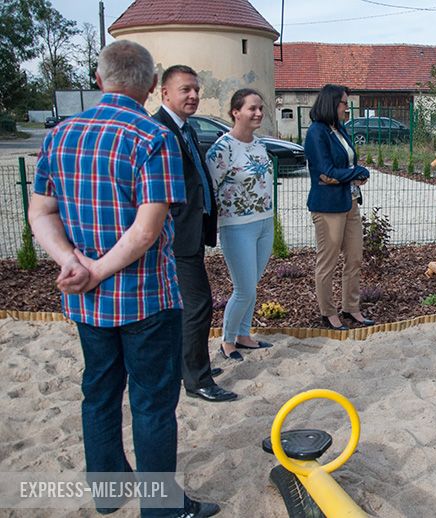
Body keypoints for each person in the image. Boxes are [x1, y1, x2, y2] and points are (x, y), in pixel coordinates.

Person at [28, 40, 219, 517]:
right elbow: (148, 228)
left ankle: (109, 492)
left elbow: (40, 211)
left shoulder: (60, 135)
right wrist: (93, 269)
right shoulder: (152, 137)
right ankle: (161, 509)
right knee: (153, 403)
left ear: (99, 79)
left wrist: (71, 263)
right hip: (145, 300)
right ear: (153, 85)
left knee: (99, 391)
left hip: (87, 302)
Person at [153, 65, 237, 402]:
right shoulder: (160, 130)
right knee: (198, 304)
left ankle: (192, 366)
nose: (193, 96)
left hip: (191, 231)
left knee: (189, 305)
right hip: (174, 236)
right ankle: (198, 380)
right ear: (165, 94)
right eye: (185, 89)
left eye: (196, 90)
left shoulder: (185, 129)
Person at [205, 89, 275, 362]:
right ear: (236, 112)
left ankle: (244, 334)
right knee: (243, 288)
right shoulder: (221, 149)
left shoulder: (259, 145)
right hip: (236, 226)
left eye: (260, 108)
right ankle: (227, 340)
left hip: (264, 223)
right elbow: (209, 189)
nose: (258, 113)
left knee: (253, 284)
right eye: (252, 108)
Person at [304, 84, 374, 331]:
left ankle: (351, 307)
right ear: (331, 104)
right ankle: (328, 312)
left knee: (354, 257)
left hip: (350, 201)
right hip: (328, 207)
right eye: (344, 103)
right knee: (328, 262)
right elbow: (325, 173)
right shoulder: (316, 132)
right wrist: (355, 173)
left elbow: (342, 167)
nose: (347, 108)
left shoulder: (339, 130)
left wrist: (352, 175)